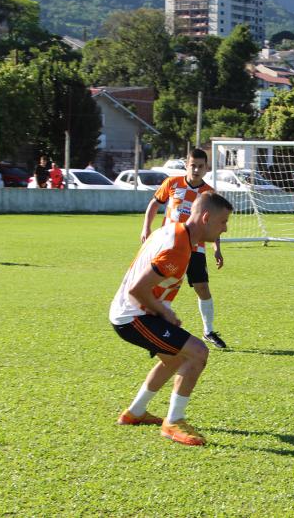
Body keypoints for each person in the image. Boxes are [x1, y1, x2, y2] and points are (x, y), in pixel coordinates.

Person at [110, 191, 233, 446]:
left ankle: (134, 413)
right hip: (133, 315)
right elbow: (138, 289)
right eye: (222, 222)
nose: (226, 228)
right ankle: (174, 422)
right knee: (198, 353)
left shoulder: (175, 231)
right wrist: (164, 311)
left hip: (136, 311)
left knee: (175, 358)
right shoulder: (178, 247)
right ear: (206, 218)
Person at [141, 148, 229, 349]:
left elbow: (215, 222)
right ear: (186, 165)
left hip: (196, 248)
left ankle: (208, 331)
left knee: (202, 287)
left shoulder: (209, 193)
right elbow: (154, 204)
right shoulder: (172, 183)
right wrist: (146, 227)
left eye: (200, 166)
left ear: (206, 168)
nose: (196, 170)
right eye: (193, 165)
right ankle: (154, 327)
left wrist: (217, 248)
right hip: (169, 246)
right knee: (162, 285)